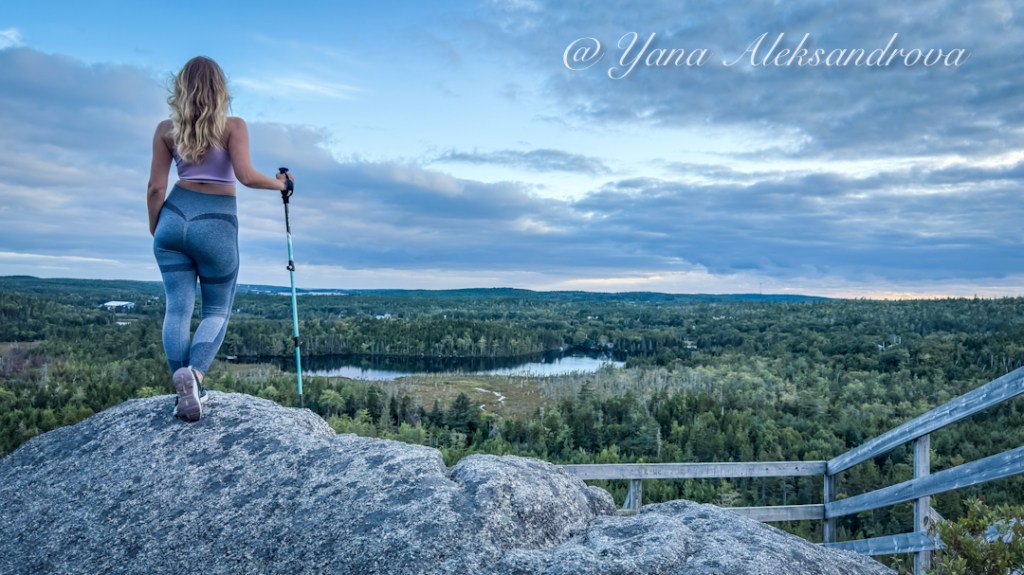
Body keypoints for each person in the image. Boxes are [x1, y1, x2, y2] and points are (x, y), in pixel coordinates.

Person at [147, 56, 294, 422]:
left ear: (180, 89)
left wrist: (159, 229)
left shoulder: (166, 129)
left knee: (177, 308)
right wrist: (282, 183)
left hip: (172, 217)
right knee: (216, 309)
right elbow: (245, 176)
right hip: (216, 223)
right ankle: (194, 377)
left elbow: (155, 188)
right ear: (220, 90)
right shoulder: (233, 126)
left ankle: (183, 390)